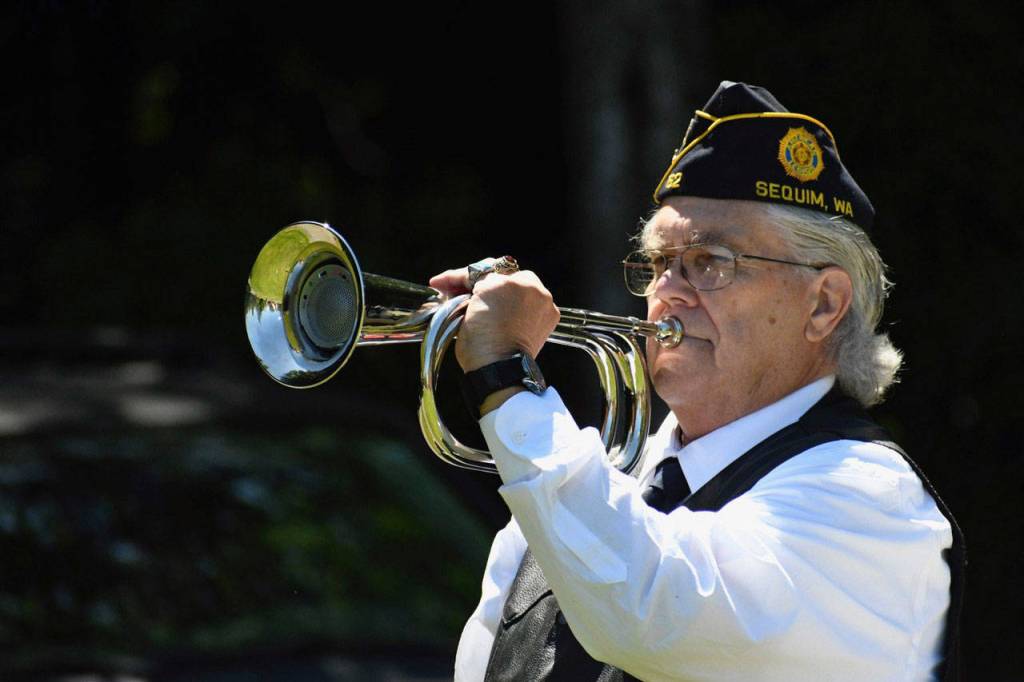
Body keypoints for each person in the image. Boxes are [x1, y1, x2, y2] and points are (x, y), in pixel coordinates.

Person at [431, 81, 964, 682]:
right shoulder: (584, 486)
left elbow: (654, 608)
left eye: (711, 262)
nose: (668, 293)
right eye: (659, 263)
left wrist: (507, 379)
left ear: (823, 304)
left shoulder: (870, 498)